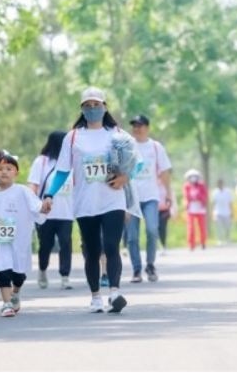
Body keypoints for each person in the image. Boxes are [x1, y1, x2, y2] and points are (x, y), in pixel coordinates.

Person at [42, 87, 135, 314]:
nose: (93, 109)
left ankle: (114, 292)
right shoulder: (73, 137)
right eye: (88, 106)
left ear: (105, 107)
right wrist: (49, 194)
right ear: (82, 109)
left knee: (112, 246)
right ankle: (95, 297)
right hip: (85, 202)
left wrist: (124, 177)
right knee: (92, 251)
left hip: (113, 199)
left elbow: (136, 163)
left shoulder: (118, 134)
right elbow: (62, 171)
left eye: (97, 105)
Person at [0, 151, 48, 317]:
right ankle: (6, 304)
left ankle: (15, 293)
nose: (5, 172)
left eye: (9, 168)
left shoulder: (22, 191)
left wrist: (44, 207)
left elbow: (36, 206)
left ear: (16, 172)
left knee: (19, 275)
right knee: (3, 270)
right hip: (1, 241)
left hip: (20, 240)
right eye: (0, 168)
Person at [127, 115, 173, 283]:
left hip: (150, 197)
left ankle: (150, 264)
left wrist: (168, 193)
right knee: (132, 236)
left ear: (147, 127)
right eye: (134, 126)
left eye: (140, 126)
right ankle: (136, 269)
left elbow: (165, 171)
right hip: (131, 198)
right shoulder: (127, 146)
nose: (136, 129)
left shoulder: (155, 147)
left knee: (152, 230)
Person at [28, 131, 75, 290]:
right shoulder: (41, 162)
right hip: (45, 214)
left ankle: (65, 276)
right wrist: (32, 206)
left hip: (66, 213)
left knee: (66, 243)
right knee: (45, 245)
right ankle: (42, 270)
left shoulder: (72, 163)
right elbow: (33, 185)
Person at [183, 169, 208, 251]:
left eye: (195, 177)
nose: (193, 178)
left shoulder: (201, 185)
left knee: (202, 227)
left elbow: (204, 195)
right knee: (191, 227)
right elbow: (187, 196)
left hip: (200, 209)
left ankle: (203, 242)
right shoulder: (187, 186)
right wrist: (193, 197)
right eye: (191, 177)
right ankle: (191, 244)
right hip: (190, 209)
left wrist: (198, 196)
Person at [158, 179, 178, 255]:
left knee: (162, 227)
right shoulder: (154, 185)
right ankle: (160, 243)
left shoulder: (168, 186)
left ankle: (163, 245)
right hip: (155, 210)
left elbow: (173, 198)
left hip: (165, 210)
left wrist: (174, 209)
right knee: (156, 228)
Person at [212, 179, 234, 246]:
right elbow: (214, 203)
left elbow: (230, 202)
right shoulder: (215, 192)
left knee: (228, 227)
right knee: (219, 227)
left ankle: (228, 239)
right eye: (219, 184)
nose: (220, 185)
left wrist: (231, 211)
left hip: (227, 212)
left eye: (221, 183)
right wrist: (213, 213)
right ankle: (220, 240)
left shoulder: (227, 192)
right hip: (218, 212)